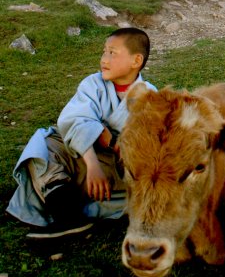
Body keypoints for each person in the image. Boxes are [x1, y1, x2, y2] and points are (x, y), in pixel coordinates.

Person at [7, 27, 156, 240]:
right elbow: (74, 119)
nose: (104, 59)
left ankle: (76, 208)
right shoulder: (93, 84)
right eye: (104, 51)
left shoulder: (150, 95)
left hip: (119, 174)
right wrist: (93, 164)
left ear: (136, 60)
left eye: (112, 53)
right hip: (85, 159)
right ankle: (68, 216)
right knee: (43, 143)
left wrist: (114, 141)